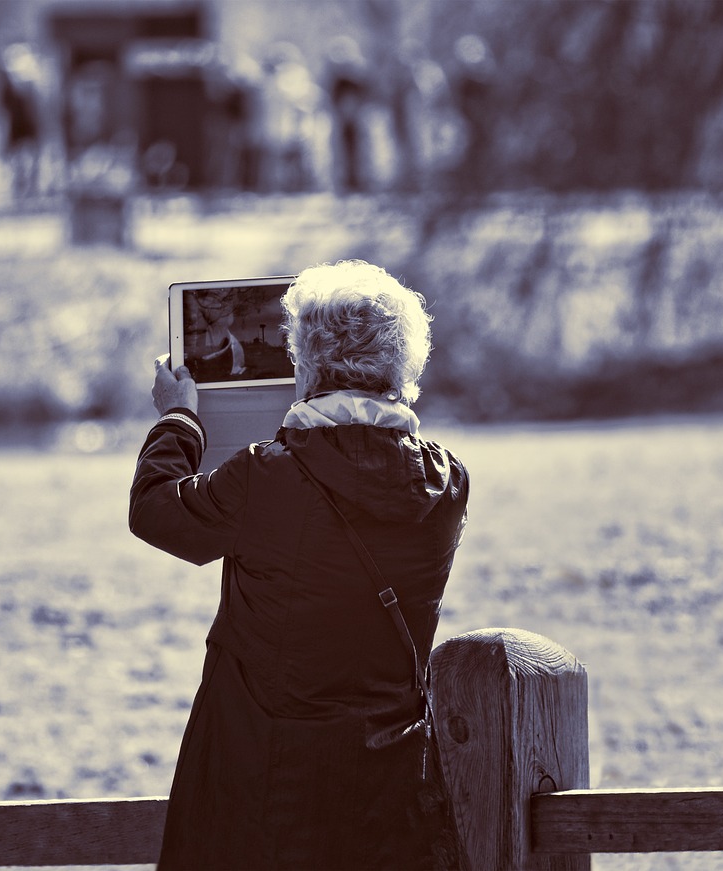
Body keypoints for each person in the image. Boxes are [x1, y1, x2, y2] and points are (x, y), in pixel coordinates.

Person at [130, 260, 469, 870]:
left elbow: (157, 511)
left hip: (265, 785)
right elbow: (350, 488)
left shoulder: (265, 478)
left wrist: (180, 417)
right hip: (385, 787)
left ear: (305, 364)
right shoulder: (445, 484)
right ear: (406, 364)